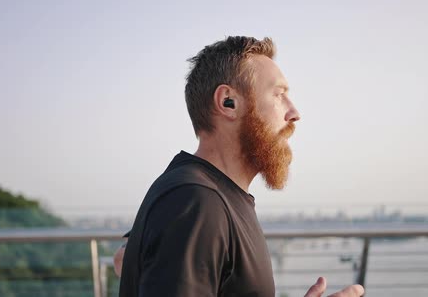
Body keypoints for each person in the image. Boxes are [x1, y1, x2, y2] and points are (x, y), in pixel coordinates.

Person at [118, 36, 364, 297]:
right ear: (228, 102)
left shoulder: (207, 196)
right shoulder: (197, 201)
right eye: (279, 95)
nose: (294, 113)